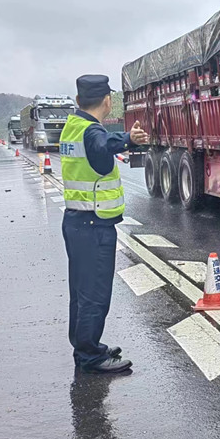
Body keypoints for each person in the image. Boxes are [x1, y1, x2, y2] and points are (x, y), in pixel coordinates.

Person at [60, 74, 149, 373]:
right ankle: (90, 356)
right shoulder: (91, 131)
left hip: (76, 221)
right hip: (92, 226)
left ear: (77, 101)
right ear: (108, 101)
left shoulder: (73, 126)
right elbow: (101, 144)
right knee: (95, 294)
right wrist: (127, 139)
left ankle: (86, 346)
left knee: (81, 292)